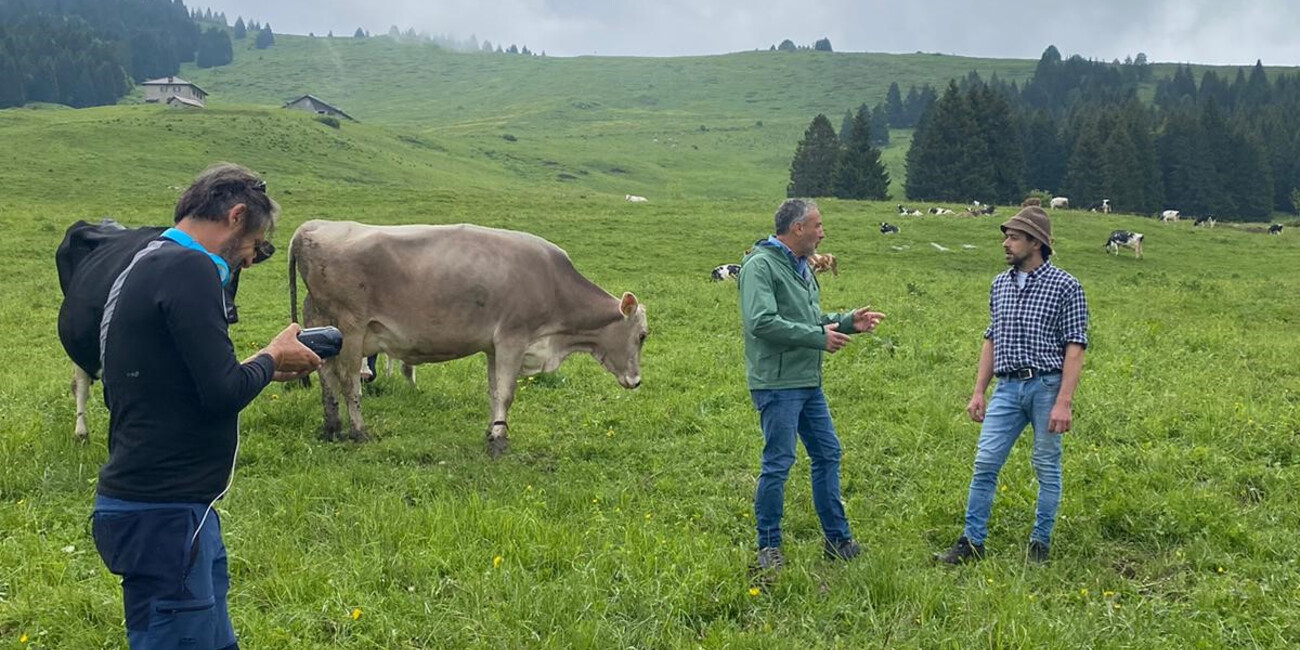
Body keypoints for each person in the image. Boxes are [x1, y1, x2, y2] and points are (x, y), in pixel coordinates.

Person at [90, 163, 322, 649]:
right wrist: (272, 354)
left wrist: (259, 368)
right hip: (165, 512)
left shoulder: (149, 262)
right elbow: (221, 394)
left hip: (168, 507)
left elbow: (168, 383)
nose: (247, 262)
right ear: (236, 216)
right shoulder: (190, 268)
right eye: (255, 247)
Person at [935, 206, 1088, 566]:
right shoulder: (999, 284)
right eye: (1006, 236)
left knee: (1046, 466)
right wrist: (978, 391)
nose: (1006, 243)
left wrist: (1064, 401)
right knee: (985, 463)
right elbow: (992, 338)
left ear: (1036, 243)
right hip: (1006, 388)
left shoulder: (1067, 286)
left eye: (1014, 237)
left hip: (1046, 386)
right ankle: (972, 542)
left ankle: (1040, 543)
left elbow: (1075, 346)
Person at [738, 198, 885, 571]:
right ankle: (767, 547)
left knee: (827, 454)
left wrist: (848, 321)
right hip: (777, 382)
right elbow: (762, 322)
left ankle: (837, 540)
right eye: (817, 225)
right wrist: (819, 337)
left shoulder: (800, 266)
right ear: (797, 228)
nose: (823, 232)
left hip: (806, 380)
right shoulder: (760, 266)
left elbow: (808, 318)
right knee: (779, 462)